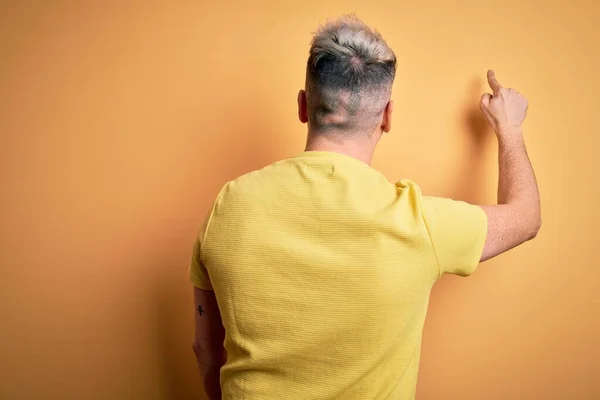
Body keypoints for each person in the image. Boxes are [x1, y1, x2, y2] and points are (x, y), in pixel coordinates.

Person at [188, 15, 541, 400]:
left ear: (304, 106)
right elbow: (526, 217)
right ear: (387, 116)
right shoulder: (417, 223)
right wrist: (510, 129)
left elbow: (206, 350)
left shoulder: (229, 205)